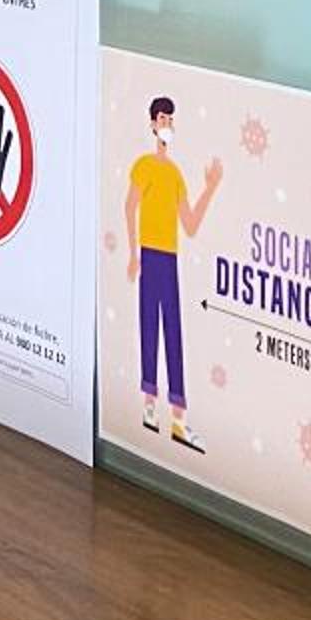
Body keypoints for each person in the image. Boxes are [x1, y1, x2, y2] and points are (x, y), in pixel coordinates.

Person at [125, 95, 222, 453]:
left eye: (171, 119)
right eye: (162, 118)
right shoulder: (144, 165)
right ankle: (149, 405)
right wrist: (133, 253)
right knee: (149, 325)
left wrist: (210, 187)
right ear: (152, 124)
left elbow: (191, 224)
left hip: (170, 257)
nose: (167, 124)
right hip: (150, 255)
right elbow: (129, 207)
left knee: (173, 331)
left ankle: (179, 419)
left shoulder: (176, 173)